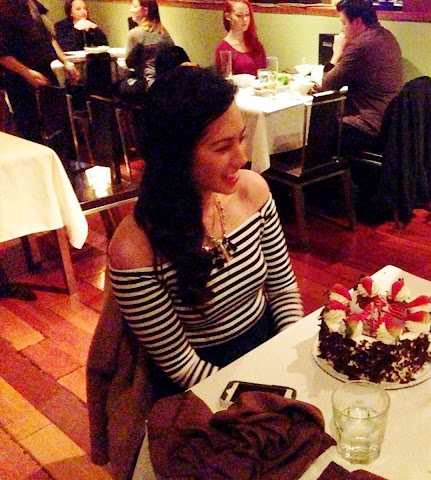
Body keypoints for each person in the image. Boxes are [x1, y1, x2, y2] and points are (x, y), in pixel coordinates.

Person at [108, 66, 304, 396]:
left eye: (241, 138)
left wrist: (289, 351)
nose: (242, 157)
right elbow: (181, 365)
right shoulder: (134, 249)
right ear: (176, 156)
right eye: (222, 147)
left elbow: (283, 289)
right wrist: (255, 396)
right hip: (204, 380)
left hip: (268, 344)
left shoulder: (252, 192)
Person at [318, 0, 403, 155]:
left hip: (367, 128)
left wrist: (336, 53)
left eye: (343, 23)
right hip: (390, 125)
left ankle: (318, 171)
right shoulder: (387, 36)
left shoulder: (360, 46)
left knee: (317, 126)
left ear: (357, 22)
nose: (341, 29)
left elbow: (327, 85)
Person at [0, 0, 79, 141]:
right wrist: (27, 72)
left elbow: (49, 38)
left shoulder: (35, 5)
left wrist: (65, 61)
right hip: (20, 79)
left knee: (58, 124)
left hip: (45, 71)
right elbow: (3, 55)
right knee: (31, 128)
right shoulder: (5, 9)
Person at [118, 0, 174, 101]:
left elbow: (129, 63)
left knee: (118, 86)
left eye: (134, 7)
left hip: (149, 84)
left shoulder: (135, 33)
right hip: (168, 83)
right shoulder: (164, 32)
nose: (130, 10)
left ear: (145, 11)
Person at [214, 0, 266, 77]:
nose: (245, 19)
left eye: (247, 15)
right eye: (239, 15)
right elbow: (224, 79)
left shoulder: (254, 43)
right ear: (228, 16)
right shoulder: (224, 49)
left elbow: (265, 70)